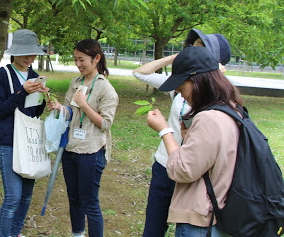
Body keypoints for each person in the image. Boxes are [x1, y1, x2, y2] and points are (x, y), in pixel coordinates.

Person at [132, 29, 231, 237]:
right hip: (165, 164)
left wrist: (163, 129)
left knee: (187, 230)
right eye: (192, 46)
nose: (193, 50)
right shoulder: (180, 85)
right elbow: (140, 72)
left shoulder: (221, 99)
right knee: (153, 228)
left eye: (201, 48)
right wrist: (177, 58)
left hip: (194, 173)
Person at [47, 39, 119, 237]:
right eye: (75, 59)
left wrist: (85, 105)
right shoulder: (76, 82)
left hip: (91, 151)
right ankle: (77, 234)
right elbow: (70, 111)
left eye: (82, 59)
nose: (78, 64)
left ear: (96, 58)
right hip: (71, 148)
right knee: (74, 198)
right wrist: (59, 108)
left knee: (89, 202)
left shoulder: (106, 89)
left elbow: (105, 123)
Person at [0, 29, 49, 237]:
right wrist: (22, 91)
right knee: (13, 197)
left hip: (29, 141)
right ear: (14, 52)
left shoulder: (35, 76)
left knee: (26, 196)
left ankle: (15, 232)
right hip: (9, 141)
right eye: (25, 53)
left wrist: (43, 99)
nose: (30, 58)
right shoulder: (1, 75)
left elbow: (33, 112)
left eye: (33, 54)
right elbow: (0, 110)